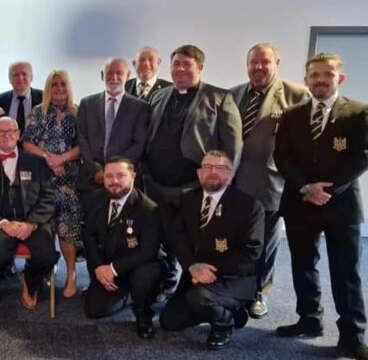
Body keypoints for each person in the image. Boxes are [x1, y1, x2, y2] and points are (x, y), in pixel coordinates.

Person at [274, 53, 368, 359]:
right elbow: (282, 157)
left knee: (346, 270)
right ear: (306, 80)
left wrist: (327, 188)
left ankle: (353, 334)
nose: (320, 80)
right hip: (300, 202)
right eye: (314, 75)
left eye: (327, 75)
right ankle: (309, 319)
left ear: (339, 78)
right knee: (303, 265)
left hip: (341, 204)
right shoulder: (292, 114)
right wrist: (305, 187)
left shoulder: (359, 112)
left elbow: (362, 155)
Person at [142, 45, 242, 300]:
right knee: (161, 236)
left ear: (200, 67)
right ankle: (165, 282)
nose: (181, 69)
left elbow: (233, 145)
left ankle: (193, 291)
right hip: (156, 183)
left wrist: (224, 183)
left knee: (191, 238)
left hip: (194, 186)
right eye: (176, 64)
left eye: (187, 64)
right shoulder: (159, 95)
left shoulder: (220, 97)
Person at [229, 43, 309, 319]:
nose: (258, 67)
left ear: (277, 62)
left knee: (265, 244)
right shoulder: (234, 94)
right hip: (234, 184)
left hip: (272, 184)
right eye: (254, 63)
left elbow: (306, 143)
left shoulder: (296, 95)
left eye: (265, 62)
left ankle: (259, 292)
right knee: (238, 241)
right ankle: (238, 287)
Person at [159, 150, 263, 350]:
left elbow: (251, 251)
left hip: (234, 278)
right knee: (170, 321)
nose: (213, 172)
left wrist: (209, 273)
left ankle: (224, 322)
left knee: (198, 298)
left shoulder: (250, 206)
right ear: (199, 174)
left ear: (231, 175)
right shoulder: (188, 199)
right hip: (196, 274)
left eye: (220, 168)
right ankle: (228, 309)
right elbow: (177, 237)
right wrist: (192, 266)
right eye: (207, 167)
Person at [0, 117, 58, 310]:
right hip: (1, 223)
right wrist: (2, 223)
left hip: (32, 222)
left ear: (18, 134)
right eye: (1, 132)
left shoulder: (37, 162)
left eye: (11, 131)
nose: (6, 135)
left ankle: (30, 282)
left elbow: (48, 198)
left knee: (47, 257)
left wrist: (31, 224)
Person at [81, 157, 163, 339]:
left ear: (133, 177)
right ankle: (128, 294)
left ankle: (144, 313)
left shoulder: (148, 209)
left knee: (145, 277)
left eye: (121, 175)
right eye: (109, 176)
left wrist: (113, 269)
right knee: (94, 310)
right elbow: (89, 236)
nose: (114, 181)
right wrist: (98, 269)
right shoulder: (95, 199)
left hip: (138, 266)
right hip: (107, 266)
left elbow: (148, 252)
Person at [22, 69, 83, 298]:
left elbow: (83, 145)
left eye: (63, 84)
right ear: (48, 87)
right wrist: (49, 159)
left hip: (69, 181)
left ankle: (71, 274)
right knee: (43, 229)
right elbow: (27, 143)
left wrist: (62, 158)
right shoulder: (38, 112)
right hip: (42, 179)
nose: (59, 88)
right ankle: (39, 271)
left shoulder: (77, 112)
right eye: (55, 84)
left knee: (67, 228)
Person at [76, 58, 149, 197]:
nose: (114, 77)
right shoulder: (87, 103)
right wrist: (95, 170)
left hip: (123, 180)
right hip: (91, 179)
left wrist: (113, 171)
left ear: (128, 75)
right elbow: (82, 139)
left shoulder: (140, 108)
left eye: (119, 73)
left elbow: (138, 143)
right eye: (109, 73)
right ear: (102, 75)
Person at [0, 61, 44, 133]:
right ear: (10, 79)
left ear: (31, 77)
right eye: (16, 75)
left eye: (24, 74)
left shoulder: (45, 98)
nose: (20, 78)